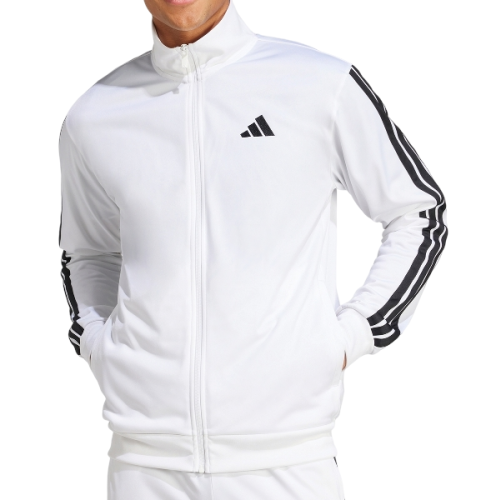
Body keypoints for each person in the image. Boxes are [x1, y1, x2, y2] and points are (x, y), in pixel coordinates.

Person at [58, 0, 448, 498]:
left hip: (286, 462)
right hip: (143, 465)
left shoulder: (319, 85)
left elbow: (417, 212)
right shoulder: (95, 115)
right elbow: (88, 252)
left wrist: (352, 334)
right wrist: (100, 345)